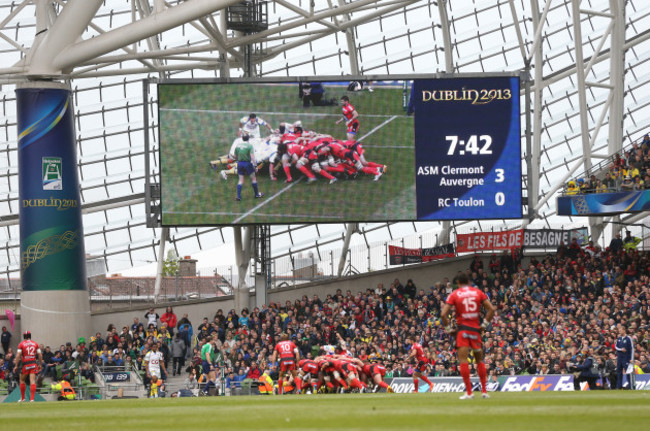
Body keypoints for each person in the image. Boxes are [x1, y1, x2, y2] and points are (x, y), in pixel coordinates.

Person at [441, 272, 496, 400]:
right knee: (479, 361)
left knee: (464, 361)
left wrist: (449, 329)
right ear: (469, 282)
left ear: (458, 283)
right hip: (475, 330)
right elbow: (491, 309)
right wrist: (484, 325)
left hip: (463, 331)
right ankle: (484, 391)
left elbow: (443, 314)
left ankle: (469, 393)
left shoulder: (454, 294)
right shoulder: (478, 292)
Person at [14, 330, 42, 402]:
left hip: (25, 364)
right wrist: (40, 364)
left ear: (24, 337)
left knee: (22, 380)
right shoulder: (35, 344)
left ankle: (23, 398)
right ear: (30, 336)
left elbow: (18, 355)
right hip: (33, 363)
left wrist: (16, 365)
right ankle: (32, 399)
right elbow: (40, 355)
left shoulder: (21, 344)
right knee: (32, 381)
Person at [234, 134, 264, 201]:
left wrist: (237, 160)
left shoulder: (238, 145)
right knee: (253, 179)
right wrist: (255, 166)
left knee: (241, 180)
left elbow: (235, 156)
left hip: (240, 164)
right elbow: (252, 157)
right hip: (247, 164)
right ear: (248, 138)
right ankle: (257, 194)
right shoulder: (249, 146)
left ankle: (238, 196)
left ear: (242, 138)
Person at [615, 325, 634, 389]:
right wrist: (621, 349)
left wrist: (631, 358)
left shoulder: (628, 338)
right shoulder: (619, 338)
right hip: (620, 358)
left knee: (628, 372)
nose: (619, 331)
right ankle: (619, 386)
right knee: (619, 372)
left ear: (624, 330)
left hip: (626, 358)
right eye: (619, 330)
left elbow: (632, 348)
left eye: (620, 330)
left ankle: (630, 386)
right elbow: (616, 347)